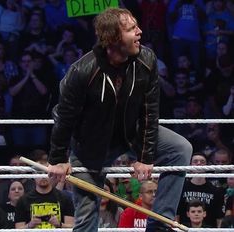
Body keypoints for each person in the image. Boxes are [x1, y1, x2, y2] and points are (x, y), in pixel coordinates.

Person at [47, 7, 192, 232]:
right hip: (91, 145)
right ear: (113, 38)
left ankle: (159, 226)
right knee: (86, 219)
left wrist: (145, 156)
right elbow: (64, 117)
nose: (140, 32)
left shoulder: (146, 59)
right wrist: (58, 159)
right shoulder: (82, 71)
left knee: (180, 148)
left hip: (131, 132)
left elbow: (149, 110)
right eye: (132, 28)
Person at [15, 161, 74, 229]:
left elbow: (71, 227)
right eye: (39, 173)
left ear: (52, 175)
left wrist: (60, 224)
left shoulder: (64, 198)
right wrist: (29, 225)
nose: (43, 176)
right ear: (33, 176)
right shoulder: (23, 200)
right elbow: (18, 229)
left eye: (46, 172)